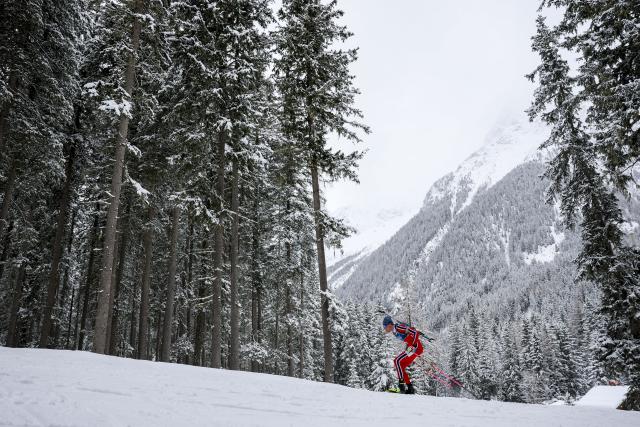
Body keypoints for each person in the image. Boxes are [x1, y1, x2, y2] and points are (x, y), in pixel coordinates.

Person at [383, 315, 424, 394]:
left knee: (397, 360)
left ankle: (401, 385)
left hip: (415, 348)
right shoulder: (394, 331)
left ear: (389, 325)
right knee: (401, 365)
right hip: (412, 348)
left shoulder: (398, 328)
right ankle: (410, 388)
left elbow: (415, 333)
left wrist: (414, 344)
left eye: (385, 327)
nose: (385, 329)